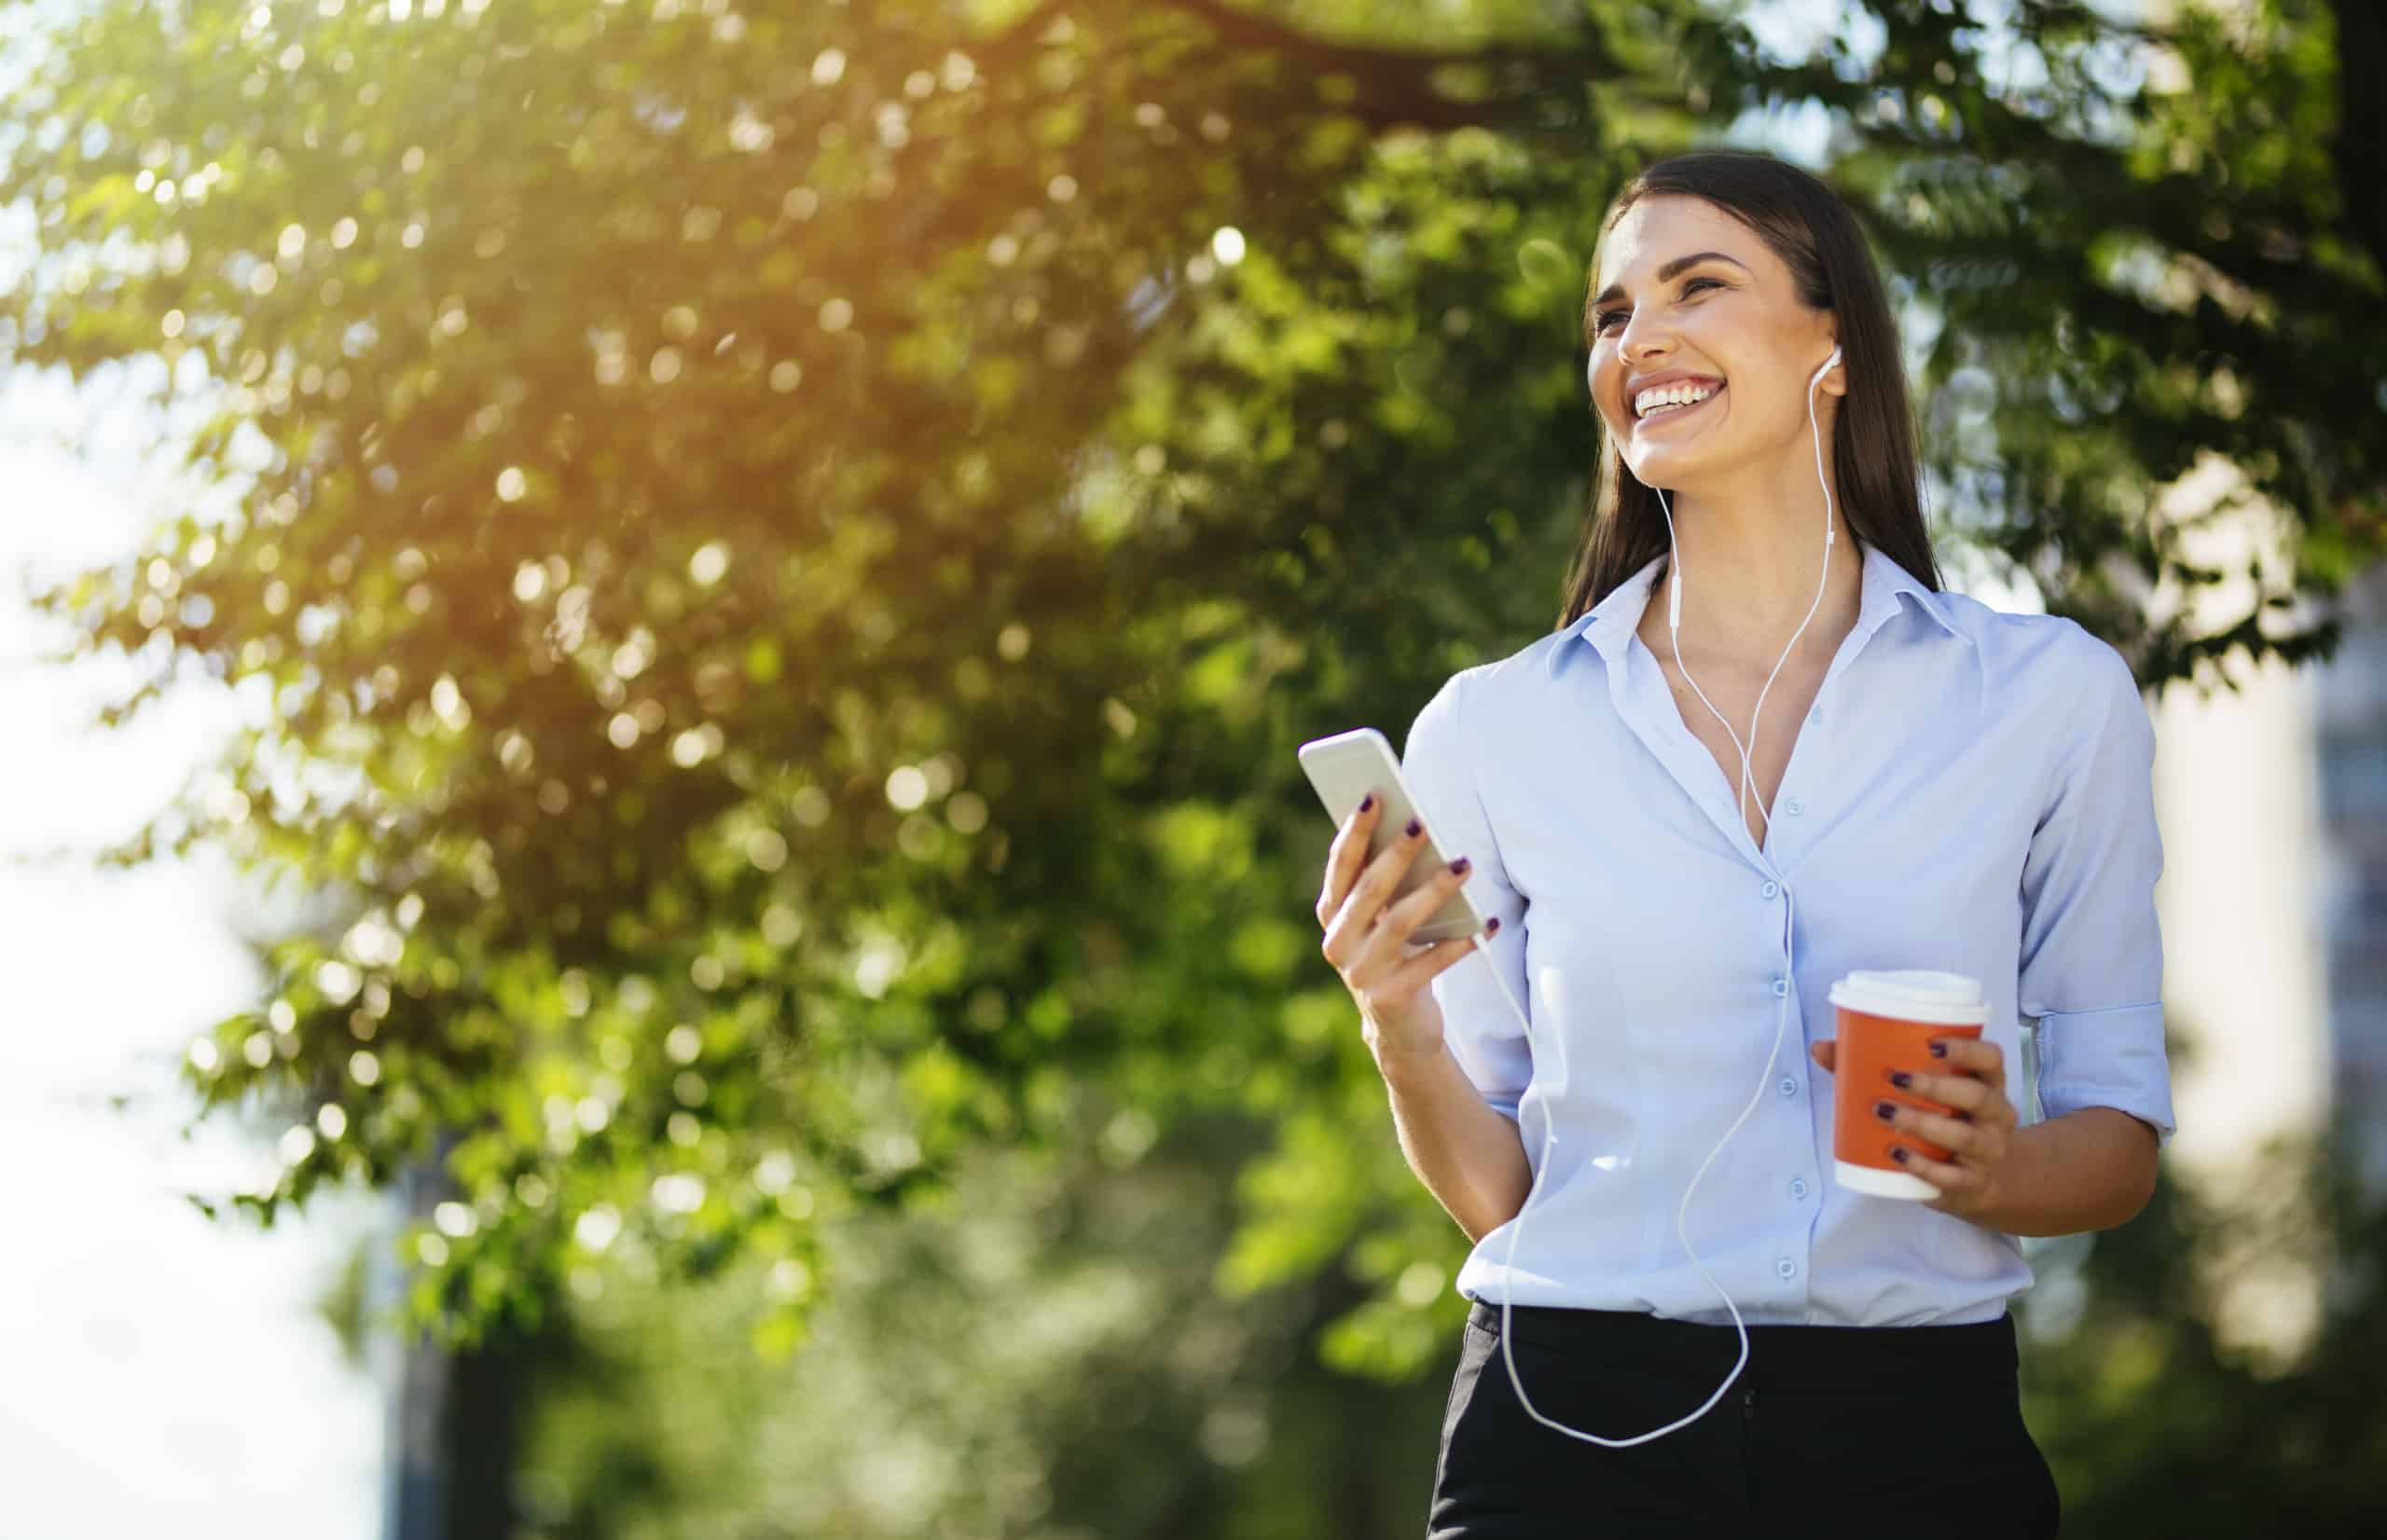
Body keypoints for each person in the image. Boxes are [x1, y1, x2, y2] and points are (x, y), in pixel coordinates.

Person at [1312, 149, 2174, 1535]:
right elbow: (1502, 1197)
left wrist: (1991, 1169)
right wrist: (1394, 1021)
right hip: (1568, 1426)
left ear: (1833, 338)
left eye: (1698, 287)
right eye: (1610, 315)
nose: (1639, 338)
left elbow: (2119, 1141)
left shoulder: (2047, 701)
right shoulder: (1493, 727)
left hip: (1917, 1433)